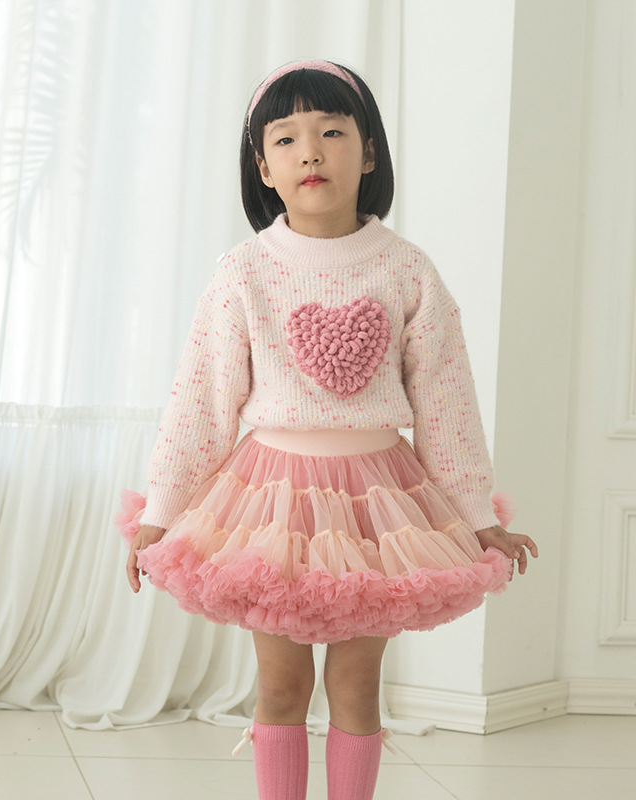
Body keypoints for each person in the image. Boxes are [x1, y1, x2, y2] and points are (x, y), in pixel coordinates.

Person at [118, 59, 538, 800]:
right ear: (264, 168)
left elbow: (446, 403)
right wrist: (161, 510)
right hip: (268, 502)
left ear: (369, 152)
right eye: (286, 139)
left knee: (356, 685)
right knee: (281, 685)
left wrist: (477, 514)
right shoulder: (244, 271)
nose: (310, 151)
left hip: (380, 504)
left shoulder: (406, 270)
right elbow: (202, 400)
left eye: (332, 132)